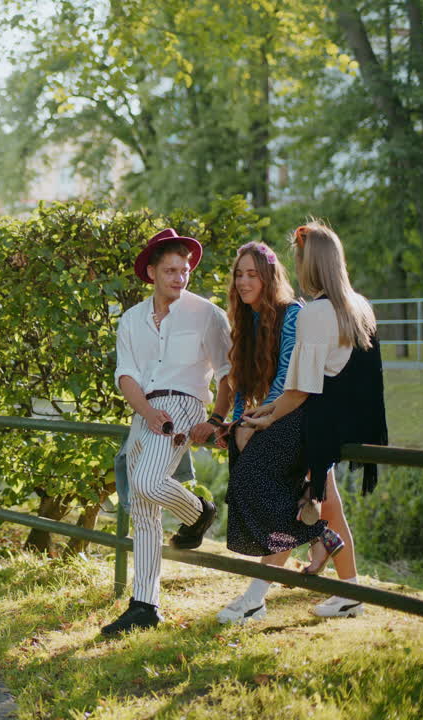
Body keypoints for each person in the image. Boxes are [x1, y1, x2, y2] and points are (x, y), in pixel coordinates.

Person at [236, 221, 388, 620]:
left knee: (262, 477)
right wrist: (264, 411)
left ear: (309, 264)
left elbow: (300, 390)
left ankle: (258, 594)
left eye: (299, 259)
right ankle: (348, 587)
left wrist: (266, 420)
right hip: (348, 423)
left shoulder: (315, 313)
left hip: (317, 423)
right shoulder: (360, 305)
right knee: (326, 499)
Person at [101, 228, 234, 636]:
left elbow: (229, 374)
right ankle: (145, 604)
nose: (180, 277)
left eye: (185, 270)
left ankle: (199, 512)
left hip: (185, 401)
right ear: (152, 273)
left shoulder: (207, 314)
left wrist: (214, 419)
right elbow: (125, 375)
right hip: (145, 409)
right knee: (142, 509)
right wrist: (146, 411)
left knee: (145, 481)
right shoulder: (131, 319)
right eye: (172, 270)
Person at [212, 241, 337, 624]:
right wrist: (235, 423)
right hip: (269, 414)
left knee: (253, 480)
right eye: (239, 274)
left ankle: (310, 541)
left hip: (299, 415)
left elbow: (287, 377)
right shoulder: (245, 321)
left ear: (269, 276)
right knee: (253, 484)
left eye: (253, 274)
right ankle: (310, 543)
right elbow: (240, 379)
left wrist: (256, 421)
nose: (244, 281)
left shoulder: (292, 313)